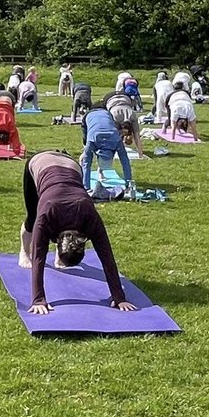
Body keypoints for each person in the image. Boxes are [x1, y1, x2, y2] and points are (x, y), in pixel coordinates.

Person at [17, 151, 138, 316]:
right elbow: (39, 255)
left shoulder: (90, 217)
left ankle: (61, 257)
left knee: (47, 220)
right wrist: (38, 299)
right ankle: (23, 251)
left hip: (70, 165)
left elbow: (106, 255)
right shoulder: (46, 215)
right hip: (39, 163)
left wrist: (119, 297)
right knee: (32, 219)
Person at [79, 106, 133, 191]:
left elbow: (125, 161)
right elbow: (86, 162)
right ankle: (83, 179)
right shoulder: (92, 140)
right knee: (86, 155)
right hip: (89, 116)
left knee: (87, 157)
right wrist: (86, 188)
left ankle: (88, 180)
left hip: (107, 115)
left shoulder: (117, 140)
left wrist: (129, 184)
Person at [104, 90, 144, 155]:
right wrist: (140, 153)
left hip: (123, 97)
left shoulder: (131, 117)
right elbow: (137, 137)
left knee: (114, 134)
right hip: (110, 99)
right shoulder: (129, 117)